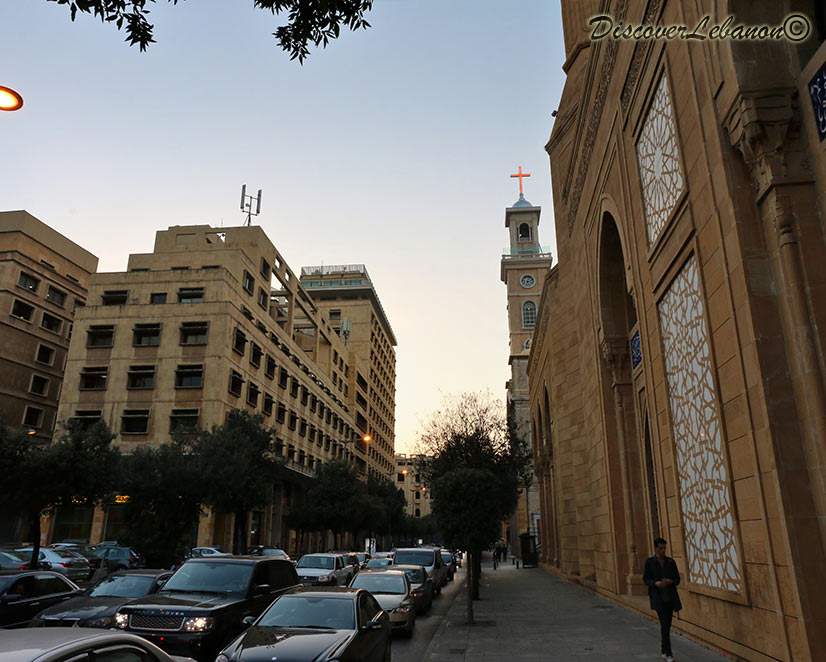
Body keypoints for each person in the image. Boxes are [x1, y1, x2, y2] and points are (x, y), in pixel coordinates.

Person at [643, 537, 682, 662]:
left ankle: (664, 650)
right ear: (655, 548)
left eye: (664, 548)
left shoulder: (670, 562)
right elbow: (646, 579)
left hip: (670, 598)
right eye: (660, 548)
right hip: (658, 598)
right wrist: (655, 583)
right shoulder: (650, 562)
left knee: (667, 625)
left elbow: (677, 579)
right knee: (665, 625)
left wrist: (670, 581)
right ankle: (669, 654)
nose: (663, 551)